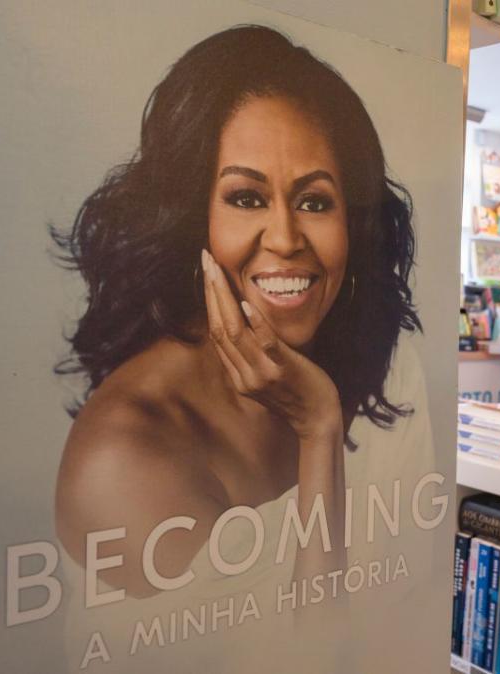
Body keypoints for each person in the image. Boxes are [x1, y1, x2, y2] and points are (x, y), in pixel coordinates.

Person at [52, 23, 433, 626]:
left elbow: (412, 604)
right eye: (246, 199)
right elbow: (309, 661)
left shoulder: (389, 364)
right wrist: (318, 431)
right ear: (188, 219)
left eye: (314, 202)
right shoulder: (121, 462)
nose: (284, 237)